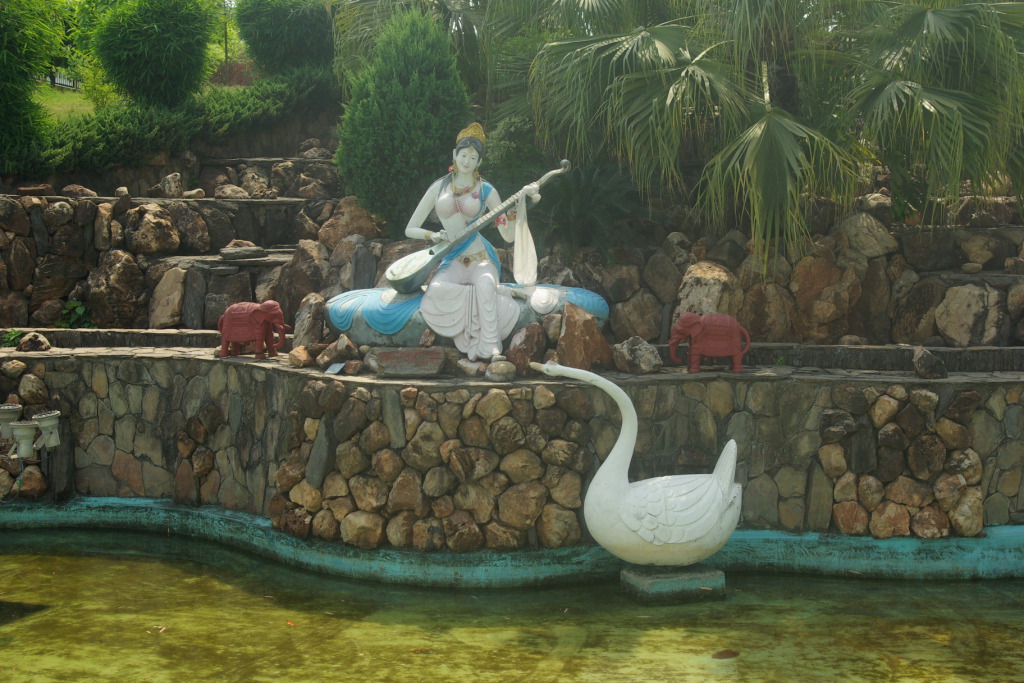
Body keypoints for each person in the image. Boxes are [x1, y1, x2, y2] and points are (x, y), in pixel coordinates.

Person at [403, 122, 537, 361]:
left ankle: (490, 346)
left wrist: (519, 207)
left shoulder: (486, 191)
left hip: (480, 259)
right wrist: (432, 236)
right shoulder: (438, 188)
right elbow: (410, 228)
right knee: (437, 289)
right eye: (463, 155)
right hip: (452, 259)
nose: (467, 161)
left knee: (484, 284)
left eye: (473, 157)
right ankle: (498, 293)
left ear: (479, 162)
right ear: (454, 155)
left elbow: (507, 236)